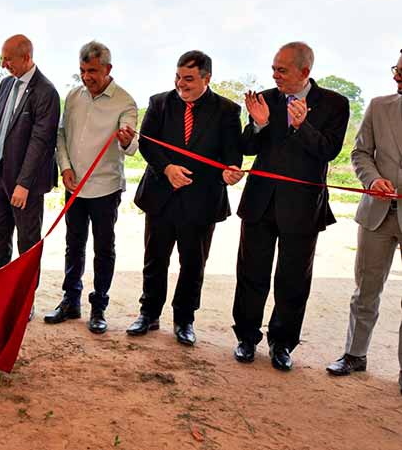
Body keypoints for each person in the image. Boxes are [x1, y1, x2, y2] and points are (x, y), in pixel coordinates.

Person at [232, 42, 349, 371]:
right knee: (251, 273)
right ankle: (246, 337)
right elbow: (248, 147)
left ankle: (282, 344)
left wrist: (302, 127)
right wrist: (258, 125)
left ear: (305, 72)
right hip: (260, 202)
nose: (275, 75)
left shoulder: (335, 104)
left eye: (281, 70)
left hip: (302, 208)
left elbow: (328, 150)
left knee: (293, 280)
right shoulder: (266, 99)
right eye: (273, 68)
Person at [128, 50, 243, 345]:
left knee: (193, 264)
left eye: (189, 79)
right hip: (161, 196)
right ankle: (148, 314)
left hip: (202, 202)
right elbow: (147, 145)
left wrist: (230, 173)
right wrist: (167, 168)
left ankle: (184, 320)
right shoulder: (159, 103)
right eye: (178, 77)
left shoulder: (227, 111)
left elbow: (231, 156)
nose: (181, 84)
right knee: (155, 259)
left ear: (207, 78)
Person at [44, 41, 138, 334]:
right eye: (83, 71)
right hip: (74, 185)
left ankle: (99, 308)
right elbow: (60, 136)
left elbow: (132, 146)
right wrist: (66, 168)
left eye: (93, 71)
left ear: (108, 69)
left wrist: (125, 139)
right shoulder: (73, 96)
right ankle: (70, 302)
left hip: (105, 189)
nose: (87, 77)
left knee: (103, 249)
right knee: (74, 245)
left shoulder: (125, 101)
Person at [326, 50, 402, 396]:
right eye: (396, 70)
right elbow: (359, 153)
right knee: (366, 290)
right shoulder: (377, 106)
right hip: (376, 214)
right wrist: (372, 181)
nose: (396, 77)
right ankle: (355, 355)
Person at [0, 34, 60, 319]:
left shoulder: (46, 92)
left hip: (27, 186)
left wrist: (23, 184)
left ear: (26, 57)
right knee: (0, 239)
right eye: (2, 58)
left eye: (8, 59)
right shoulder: (6, 84)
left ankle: (25, 301)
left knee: (27, 244)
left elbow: (41, 143)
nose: (3, 64)